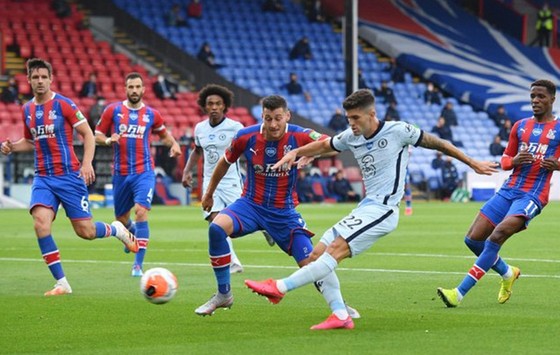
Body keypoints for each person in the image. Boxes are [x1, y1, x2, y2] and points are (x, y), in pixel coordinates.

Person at [244, 89, 497, 330]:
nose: (351, 123)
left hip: (384, 210)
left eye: (355, 118)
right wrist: (297, 152)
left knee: (333, 251)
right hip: (365, 208)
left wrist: (473, 163)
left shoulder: (399, 131)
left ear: (371, 114)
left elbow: (438, 143)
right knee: (314, 257)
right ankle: (340, 314)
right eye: (348, 118)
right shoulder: (351, 136)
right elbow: (325, 145)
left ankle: (278, 287)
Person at [194, 95, 360, 322]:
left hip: (284, 212)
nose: (273, 124)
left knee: (312, 262)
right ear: (261, 116)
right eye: (268, 118)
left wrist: (309, 152)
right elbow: (224, 161)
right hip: (250, 205)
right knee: (216, 228)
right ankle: (224, 294)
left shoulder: (299, 134)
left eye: (278, 118)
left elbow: (332, 145)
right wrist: (209, 193)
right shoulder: (245, 136)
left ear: (287, 116)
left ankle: (339, 306)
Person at [0, 58, 139, 296]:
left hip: (68, 176)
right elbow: (31, 141)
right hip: (43, 177)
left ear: (51, 79)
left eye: (44, 77)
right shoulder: (27, 110)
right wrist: (12, 146)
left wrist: (86, 164)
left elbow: (87, 134)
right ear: (29, 80)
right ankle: (61, 282)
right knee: (40, 224)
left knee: (85, 232)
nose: (40, 81)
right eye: (35, 77)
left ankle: (117, 230)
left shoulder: (64, 104)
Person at [437, 79, 560, 307]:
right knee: (473, 240)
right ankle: (507, 273)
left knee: (497, 235)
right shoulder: (520, 126)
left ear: (552, 99)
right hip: (509, 189)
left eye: (541, 96)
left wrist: (558, 164)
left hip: (533, 195)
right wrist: (513, 161)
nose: (535, 100)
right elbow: (504, 160)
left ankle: (458, 293)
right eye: (533, 96)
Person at [95, 72, 182, 277]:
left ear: (143, 89)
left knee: (141, 211)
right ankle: (131, 233)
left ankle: (137, 265)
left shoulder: (152, 114)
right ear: (125, 89)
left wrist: (175, 144)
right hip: (120, 173)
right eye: (130, 87)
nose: (134, 90)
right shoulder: (113, 110)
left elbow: (164, 135)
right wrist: (108, 140)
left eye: (137, 87)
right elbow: (96, 135)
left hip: (144, 171)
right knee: (121, 218)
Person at [181, 84, 274, 274]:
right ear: (204, 107)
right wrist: (186, 170)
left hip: (231, 180)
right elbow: (197, 151)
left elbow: (249, 150)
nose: (214, 107)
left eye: (218, 104)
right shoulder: (200, 128)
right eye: (210, 104)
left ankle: (265, 227)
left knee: (247, 215)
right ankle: (233, 262)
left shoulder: (235, 127)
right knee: (215, 221)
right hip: (210, 182)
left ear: (224, 106)